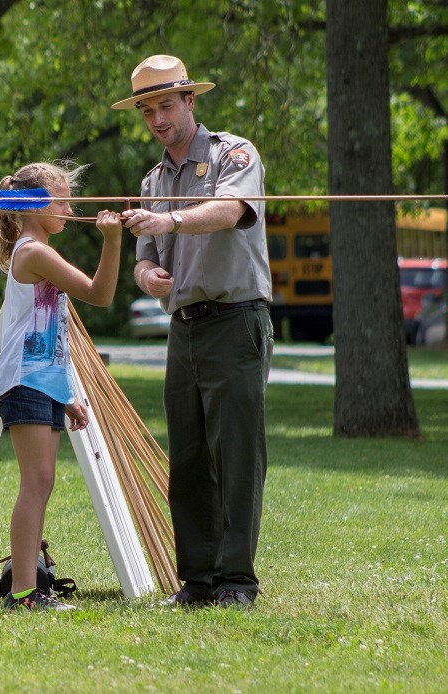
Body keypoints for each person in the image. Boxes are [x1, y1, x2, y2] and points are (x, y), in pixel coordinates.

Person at [113, 55, 274, 608]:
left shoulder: (234, 153)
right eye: (147, 111)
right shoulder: (153, 180)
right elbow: (144, 260)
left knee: (236, 456)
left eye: (166, 105)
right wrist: (147, 278)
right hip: (182, 329)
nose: (157, 119)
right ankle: (198, 582)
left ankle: (238, 581)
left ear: (190, 101)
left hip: (236, 320)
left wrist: (172, 219)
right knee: (186, 459)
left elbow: (230, 210)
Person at [0, 161, 123, 611]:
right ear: (33, 206)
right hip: (23, 379)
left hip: (41, 380)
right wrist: (112, 241)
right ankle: (24, 594)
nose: (70, 210)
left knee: (42, 482)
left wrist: (66, 396)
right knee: (37, 482)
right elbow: (100, 294)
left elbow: (52, 334)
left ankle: (31, 588)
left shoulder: (39, 250)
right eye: (62, 202)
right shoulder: (34, 252)